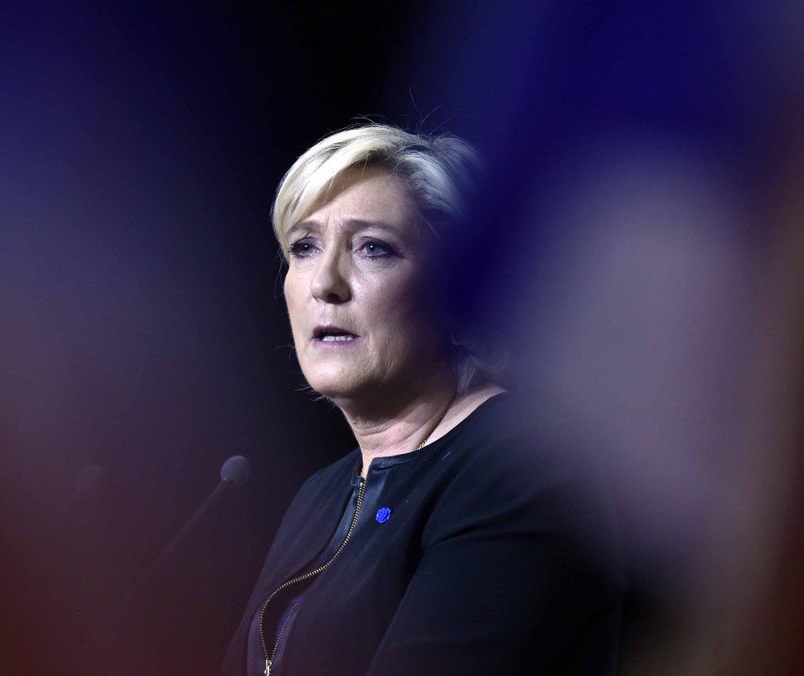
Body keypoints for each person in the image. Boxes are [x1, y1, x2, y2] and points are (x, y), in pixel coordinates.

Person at [223, 124, 621, 675]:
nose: (324, 283)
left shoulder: (520, 472)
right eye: (305, 247)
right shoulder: (322, 493)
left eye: (373, 248)